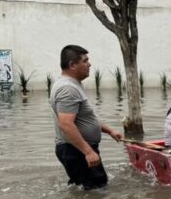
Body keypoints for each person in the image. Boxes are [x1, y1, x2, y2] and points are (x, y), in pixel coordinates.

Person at [50, 45, 122, 190]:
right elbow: (66, 124)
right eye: (85, 61)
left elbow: (84, 118)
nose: (89, 64)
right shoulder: (68, 89)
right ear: (72, 65)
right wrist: (88, 152)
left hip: (77, 149)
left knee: (87, 189)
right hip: (76, 150)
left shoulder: (72, 85)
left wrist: (109, 131)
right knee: (97, 191)